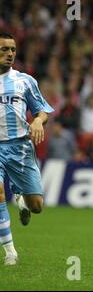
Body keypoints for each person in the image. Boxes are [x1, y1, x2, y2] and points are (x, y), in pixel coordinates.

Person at [0, 33, 54, 265]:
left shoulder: (25, 80)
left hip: (20, 147)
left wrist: (39, 120)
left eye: (12, 49)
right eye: (4, 49)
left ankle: (22, 201)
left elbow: (42, 109)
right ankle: (10, 251)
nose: (10, 53)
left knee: (37, 205)